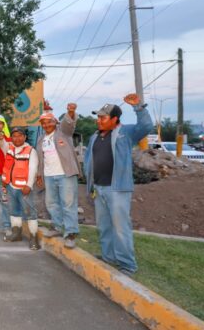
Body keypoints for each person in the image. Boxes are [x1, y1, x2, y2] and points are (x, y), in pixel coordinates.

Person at [84, 94, 153, 275]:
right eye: (98, 117)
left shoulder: (125, 133)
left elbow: (146, 126)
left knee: (121, 228)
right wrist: (90, 184)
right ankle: (109, 258)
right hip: (99, 188)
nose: (99, 120)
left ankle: (127, 265)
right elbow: (89, 161)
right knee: (104, 226)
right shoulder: (94, 137)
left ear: (114, 119)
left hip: (117, 189)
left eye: (103, 117)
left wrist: (138, 107)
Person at [35, 103, 81, 249]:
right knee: (51, 203)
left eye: (49, 121)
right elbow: (40, 159)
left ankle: (71, 233)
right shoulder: (41, 139)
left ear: (55, 122)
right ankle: (57, 227)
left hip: (65, 174)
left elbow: (69, 124)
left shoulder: (63, 133)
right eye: (44, 122)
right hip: (49, 175)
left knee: (68, 204)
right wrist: (39, 174)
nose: (47, 124)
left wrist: (71, 112)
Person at [0, 127, 40, 250]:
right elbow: (2, 143)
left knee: (30, 213)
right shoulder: (10, 148)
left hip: (24, 188)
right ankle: (16, 233)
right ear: (11, 138)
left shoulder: (30, 151)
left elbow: (33, 169)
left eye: (20, 136)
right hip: (11, 186)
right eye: (14, 136)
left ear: (24, 137)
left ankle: (34, 238)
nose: (17, 138)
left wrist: (29, 185)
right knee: (13, 211)